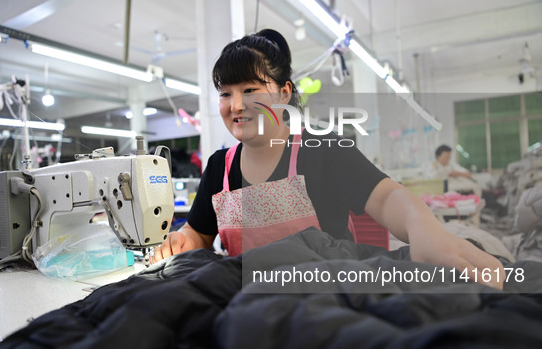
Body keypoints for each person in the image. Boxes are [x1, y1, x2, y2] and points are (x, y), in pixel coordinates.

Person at [154, 29, 504, 289]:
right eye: (225, 94)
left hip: (327, 297)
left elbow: (386, 196)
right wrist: (183, 241)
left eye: (250, 90)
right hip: (247, 304)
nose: (236, 105)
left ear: (284, 93)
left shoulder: (323, 151)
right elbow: (199, 231)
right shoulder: (221, 166)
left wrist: (425, 231)